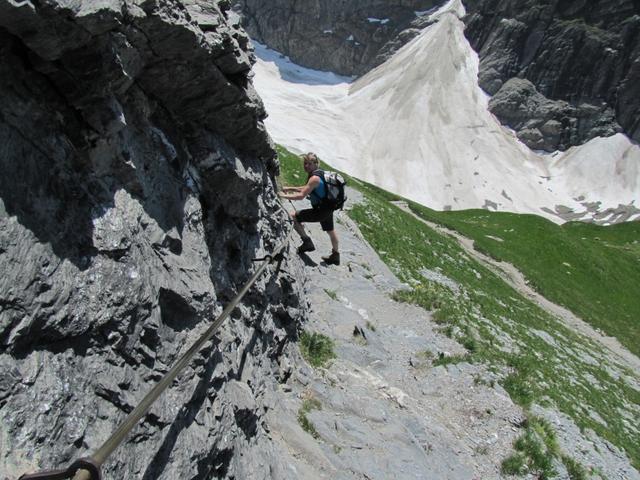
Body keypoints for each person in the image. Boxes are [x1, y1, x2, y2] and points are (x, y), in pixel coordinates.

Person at [279, 152, 340, 266]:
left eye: (309, 163)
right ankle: (335, 256)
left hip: (320, 210)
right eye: (305, 163)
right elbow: (308, 188)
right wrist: (290, 188)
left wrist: (282, 195)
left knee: (293, 216)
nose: (306, 166)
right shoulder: (321, 173)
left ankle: (307, 242)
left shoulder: (314, 178)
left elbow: (301, 196)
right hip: (328, 207)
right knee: (330, 231)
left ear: (316, 164)